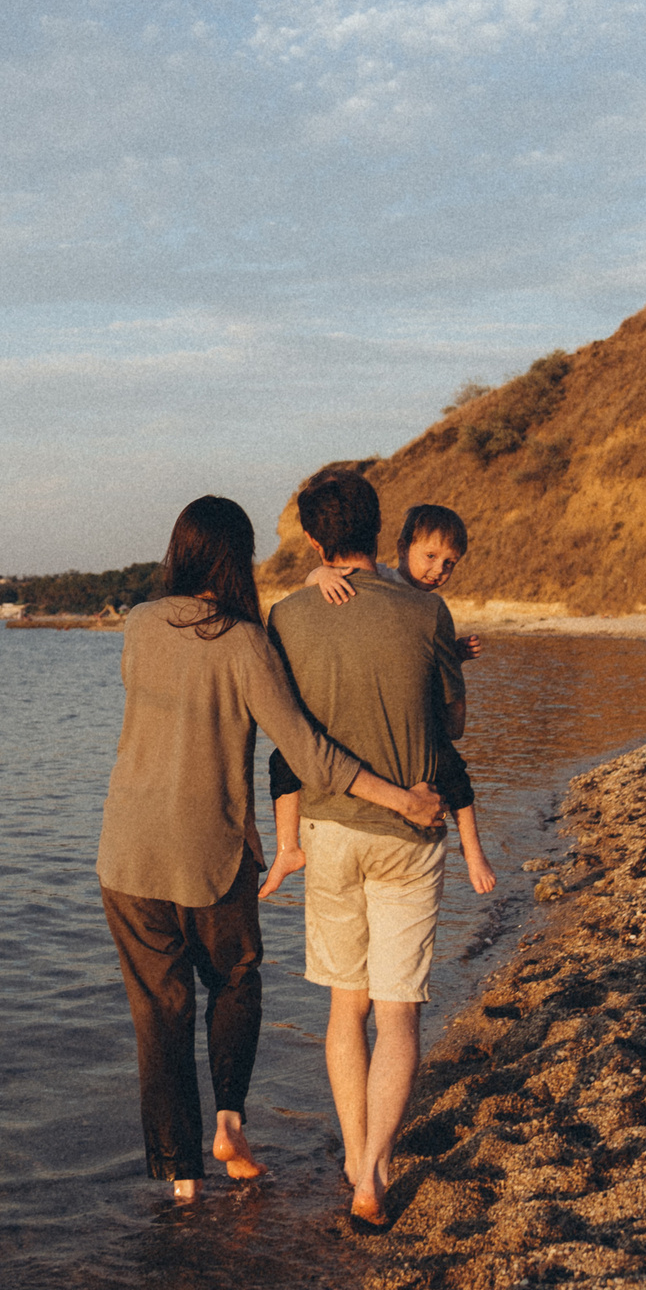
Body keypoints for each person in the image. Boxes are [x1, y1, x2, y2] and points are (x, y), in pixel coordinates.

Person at [96, 496, 443, 1203]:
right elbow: (310, 755)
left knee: (158, 1016)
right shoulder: (245, 642)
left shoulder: (137, 624)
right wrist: (402, 799)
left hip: (126, 855)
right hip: (211, 854)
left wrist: (310, 584)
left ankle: (182, 1183)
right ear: (238, 558)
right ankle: (229, 1122)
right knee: (235, 979)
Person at [264, 472, 469, 1229]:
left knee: (344, 1007)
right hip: (409, 832)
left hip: (327, 830)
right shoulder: (427, 610)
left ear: (312, 540)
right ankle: (375, 1175)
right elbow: (452, 725)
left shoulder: (288, 615)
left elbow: (285, 732)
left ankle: (354, 1154)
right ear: (383, 531)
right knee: (399, 1012)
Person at [262, 500, 498, 901]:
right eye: (430, 557)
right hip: (397, 729)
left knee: (455, 774)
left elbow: (422, 666)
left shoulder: (429, 609)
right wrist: (321, 574)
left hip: (407, 718)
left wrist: (454, 656)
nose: (438, 570)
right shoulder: (387, 580)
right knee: (285, 758)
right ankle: (287, 847)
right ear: (401, 547)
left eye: (449, 564)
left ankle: (472, 850)